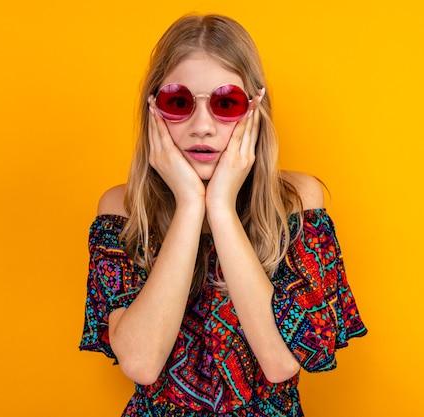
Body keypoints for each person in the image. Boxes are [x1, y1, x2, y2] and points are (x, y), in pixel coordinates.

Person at [80, 13, 367, 416]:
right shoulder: (122, 210)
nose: (202, 127)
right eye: (179, 102)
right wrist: (190, 205)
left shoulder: (297, 200)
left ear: (254, 110)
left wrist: (220, 207)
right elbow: (141, 363)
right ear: (153, 110)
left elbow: (281, 363)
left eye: (225, 103)